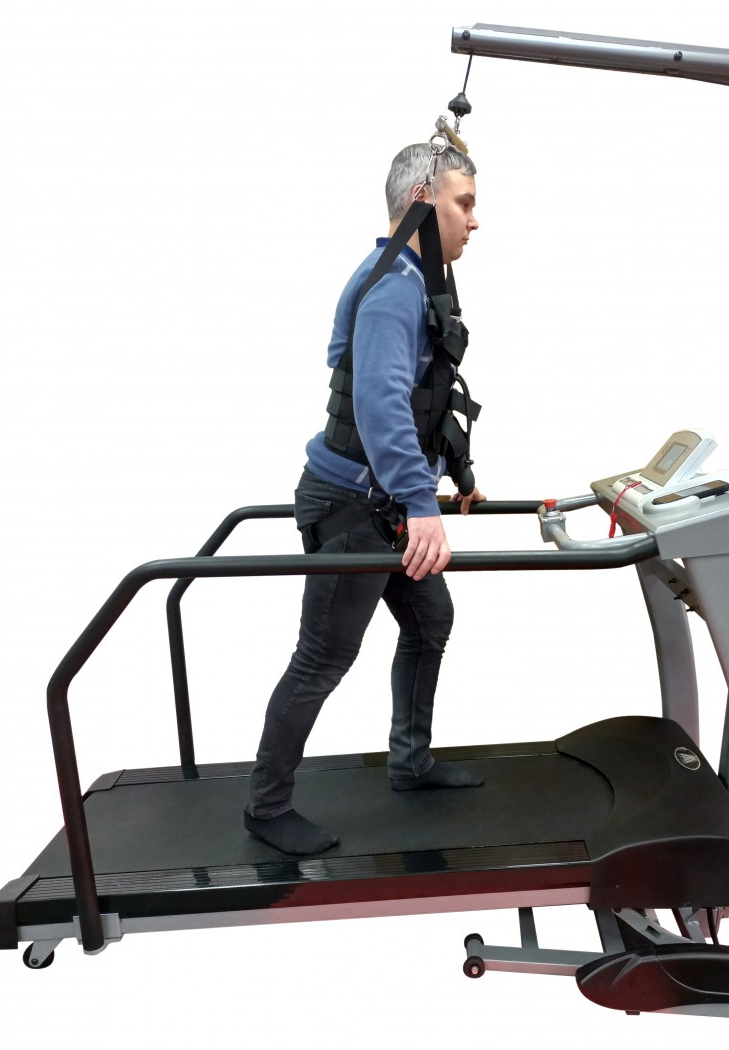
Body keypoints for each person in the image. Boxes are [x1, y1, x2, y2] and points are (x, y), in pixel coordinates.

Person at [245, 142, 484, 855]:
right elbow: (379, 405)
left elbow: (421, 394)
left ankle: (411, 763)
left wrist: (455, 475)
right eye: (464, 204)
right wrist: (421, 504)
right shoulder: (393, 289)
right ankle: (266, 807)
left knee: (430, 619)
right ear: (421, 203)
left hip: (384, 505)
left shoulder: (411, 279)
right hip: (351, 507)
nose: (475, 222)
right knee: (323, 657)